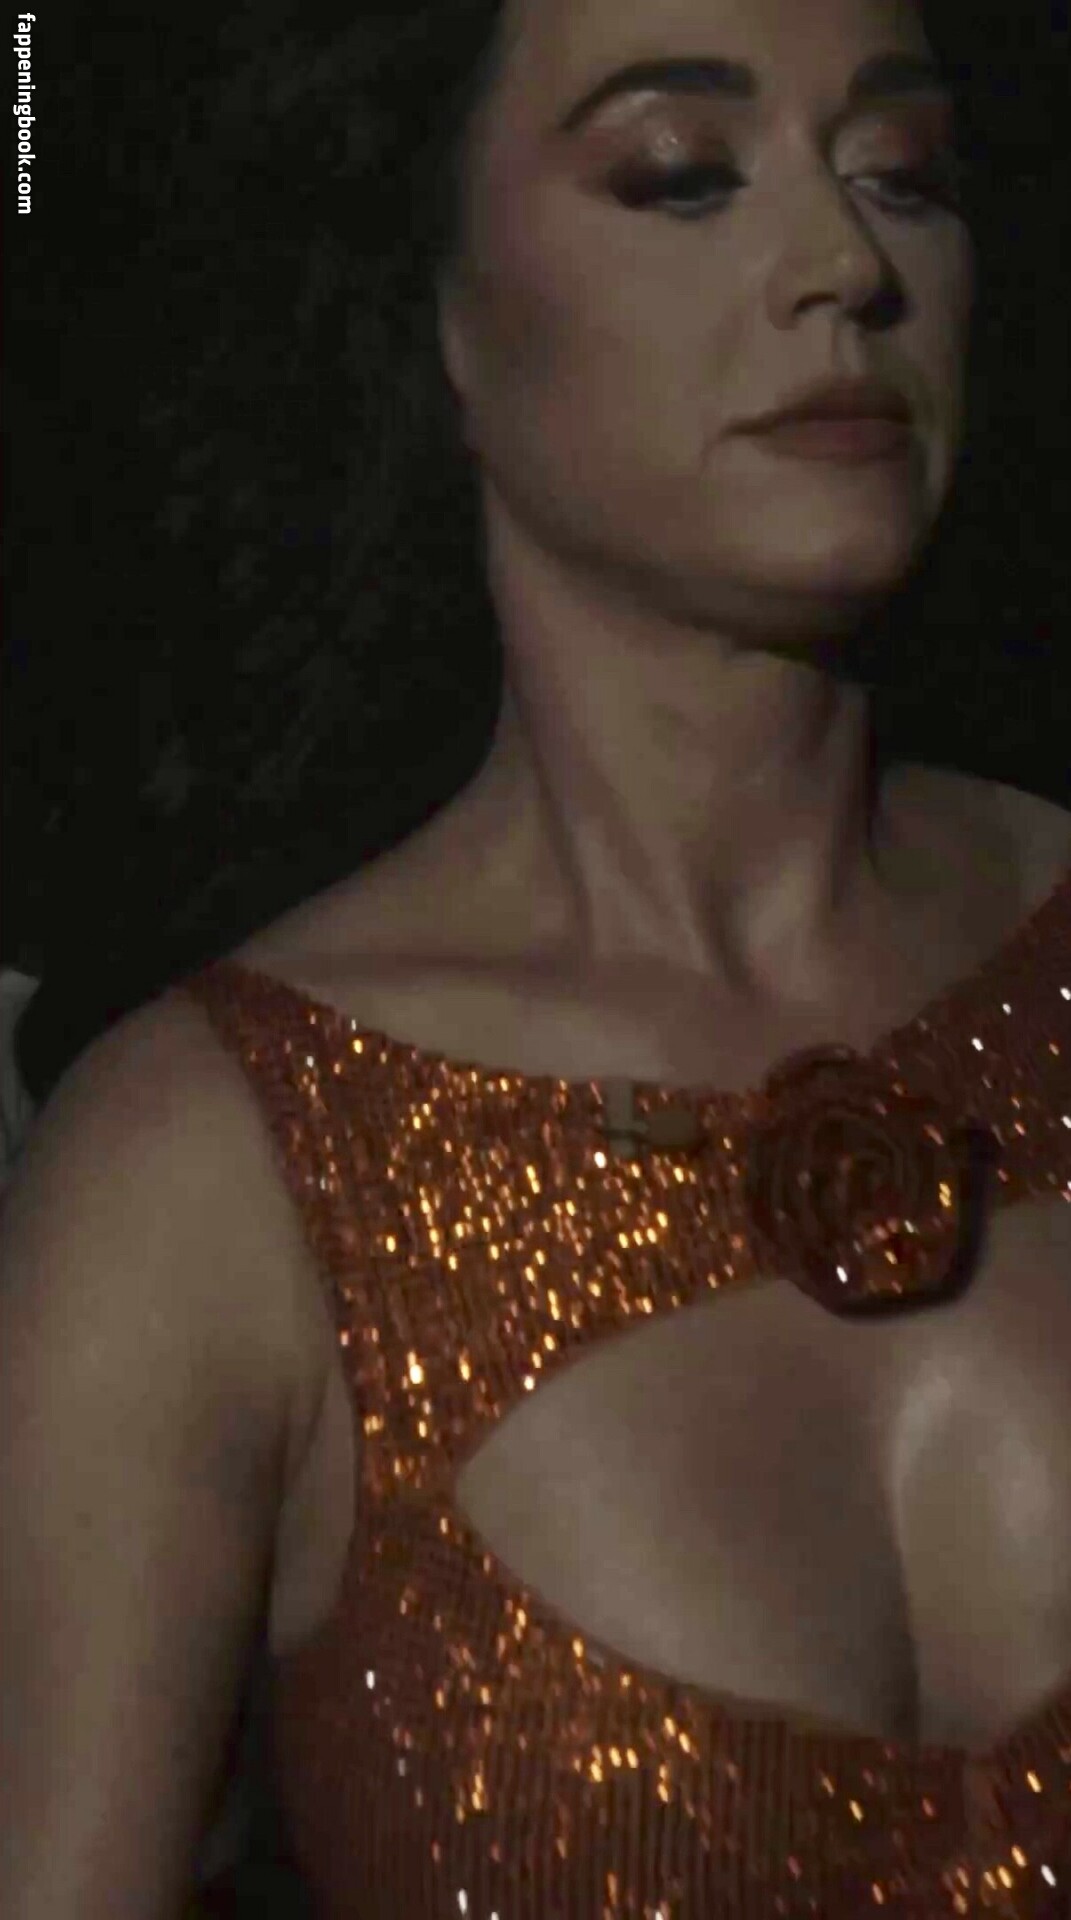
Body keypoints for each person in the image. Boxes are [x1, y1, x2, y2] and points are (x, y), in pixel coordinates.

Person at [4, 0, 1071, 1914]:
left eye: (905, 174)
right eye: (681, 176)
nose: (847, 263)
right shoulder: (203, 1177)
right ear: (432, 312)